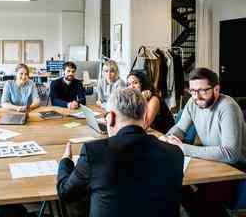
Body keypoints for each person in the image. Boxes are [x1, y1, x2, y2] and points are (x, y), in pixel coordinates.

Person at [57, 88, 184, 217]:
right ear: (145, 117)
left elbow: (65, 193)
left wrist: (65, 161)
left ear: (111, 118)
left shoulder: (94, 152)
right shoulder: (175, 152)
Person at [164, 67, 246, 217]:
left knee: (203, 205)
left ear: (216, 89)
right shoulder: (192, 102)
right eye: (193, 91)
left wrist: (183, 148)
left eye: (202, 91)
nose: (197, 96)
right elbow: (180, 128)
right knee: (173, 186)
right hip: (213, 161)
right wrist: (168, 139)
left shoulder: (228, 107)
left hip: (236, 167)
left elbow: (231, 154)